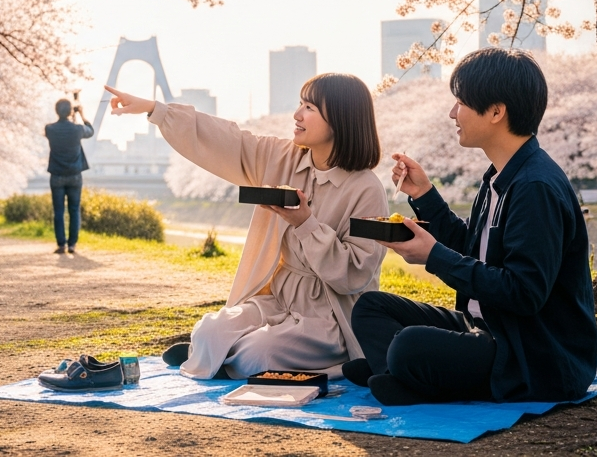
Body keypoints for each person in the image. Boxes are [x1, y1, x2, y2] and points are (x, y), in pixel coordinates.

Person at [349, 48, 597, 406]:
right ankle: (401, 376)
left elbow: (523, 292)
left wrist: (434, 257)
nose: (453, 113)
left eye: (461, 102)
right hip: (488, 327)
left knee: (408, 345)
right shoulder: (499, 176)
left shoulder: (535, 188)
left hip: (532, 355)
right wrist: (424, 194)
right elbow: (472, 245)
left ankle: (403, 373)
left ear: (497, 111)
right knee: (371, 307)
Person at [107, 74, 387, 380]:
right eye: (300, 104)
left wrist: (305, 224)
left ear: (340, 119)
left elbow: (355, 275)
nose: (297, 114)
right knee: (209, 330)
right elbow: (230, 140)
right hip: (278, 299)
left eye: (309, 108)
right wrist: (155, 109)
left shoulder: (366, 189)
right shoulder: (282, 158)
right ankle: (212, 348)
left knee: (258, 354)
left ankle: (218, 355)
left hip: (330, 317)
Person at [44, 97, 93, 254]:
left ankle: (61, 244)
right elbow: (90, 131)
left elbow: (63, 129)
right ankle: (72, 244)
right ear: (71, 111)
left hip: (57, 175)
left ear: (56, 111)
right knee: (74, 209)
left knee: (58, 210)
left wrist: (71, 116)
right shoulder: (78, 129)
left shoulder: (49, 129)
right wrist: (81, 115)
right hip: (74, 175)